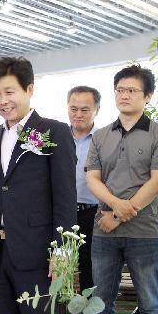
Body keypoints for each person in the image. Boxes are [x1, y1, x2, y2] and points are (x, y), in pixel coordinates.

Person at [0, 57, 76, 314]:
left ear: (29, 89)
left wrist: (62, 250)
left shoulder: (54, 132)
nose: (3, 101)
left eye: (9, 92)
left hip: (38, 253)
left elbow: (65, 197)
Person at [86, 65, 158, 314]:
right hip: (104, 231)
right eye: (120, 90)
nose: (124, 95)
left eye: (132, 90)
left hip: (144, 232)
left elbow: (157, 182)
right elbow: (93, 179)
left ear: (148, 96)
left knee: (150, 303)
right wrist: (115, 206)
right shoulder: (100, 136)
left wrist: (118, 214)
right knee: (100, 302)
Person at [67, 86, 101, 291]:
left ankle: (88, 311)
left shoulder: (104, 139)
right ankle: (59, 312)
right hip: (62, 214)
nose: (78, 114)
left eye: (84, 110)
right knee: (59, 270)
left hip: (92, 215)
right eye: (73, 109)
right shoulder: (57, 137)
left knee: (90, 271)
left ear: (97, 110)